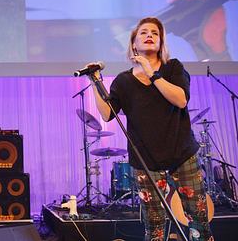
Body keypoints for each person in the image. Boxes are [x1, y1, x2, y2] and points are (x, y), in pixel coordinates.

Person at [88, 17, 213, 241]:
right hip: (146, 159)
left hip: (181, 153)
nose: (150, 35)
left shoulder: (173, 67)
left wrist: (152, 73)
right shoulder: (124, 80)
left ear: (160, 42)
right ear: (134, 44)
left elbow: (181, 100)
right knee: (153, 224)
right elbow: (107, 114)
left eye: (155, 33)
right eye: (144, 32)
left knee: (198, 218)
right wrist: (95, 82)